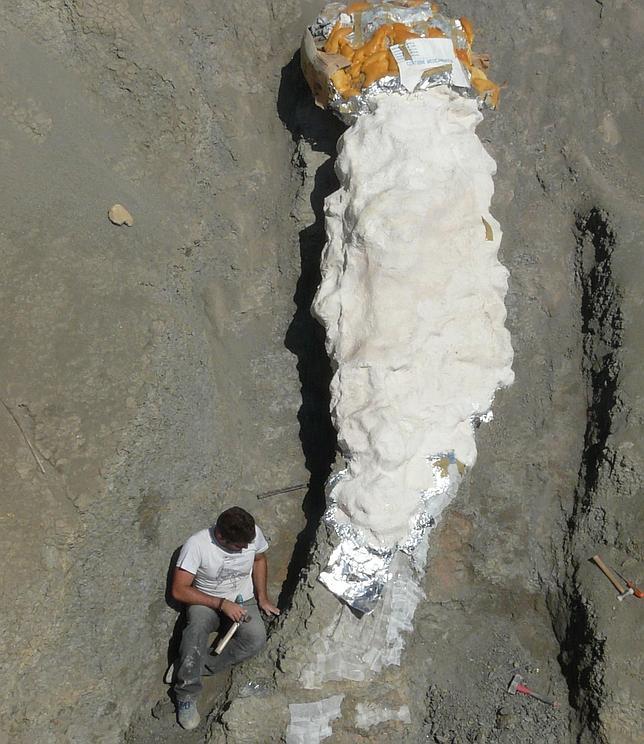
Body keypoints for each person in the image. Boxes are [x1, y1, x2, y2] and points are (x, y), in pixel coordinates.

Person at [170, 506, 280, 730]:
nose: (244, 550)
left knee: (256, 639)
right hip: (207, 601)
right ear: (221, 536)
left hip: (243, 600)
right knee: (196, 629)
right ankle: (186, 694)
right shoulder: (197, 546)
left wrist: (262, 598)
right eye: (239, 547)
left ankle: (192, 667)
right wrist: (221, 603)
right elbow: (179, 590)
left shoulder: (251, 534)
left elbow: (259, 560)